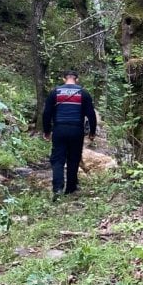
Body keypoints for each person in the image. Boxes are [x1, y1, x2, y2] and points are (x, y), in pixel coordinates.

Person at [42, 69, 97, 200]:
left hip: (59, 129)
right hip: (76, 130)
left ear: (63, 79)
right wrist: (92, 132)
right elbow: (91, 114)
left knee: (58, 159)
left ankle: (57, 190)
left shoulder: (55, 92)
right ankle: (71, 188)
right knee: (74, 158)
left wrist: (47, 131)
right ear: (77, 79)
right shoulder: (83, 93)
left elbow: (46, 113)